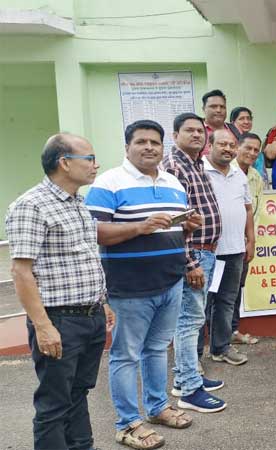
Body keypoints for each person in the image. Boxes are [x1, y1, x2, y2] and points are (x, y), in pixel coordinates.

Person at [85, 120, 199, 448]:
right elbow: (93, 231)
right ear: (127, 147)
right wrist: (139, 227)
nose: (149, 147)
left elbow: (174, 232)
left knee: (157, 348)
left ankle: (157, 407)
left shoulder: (173, 183)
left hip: (170, 282)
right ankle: (127, 423)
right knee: (126, 355)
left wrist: (188, 226)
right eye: (141, 141)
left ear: (163, 147)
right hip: (129, 287)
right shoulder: (109, 183)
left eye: (155, 142)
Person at [7, 133, 114, 450]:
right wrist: (43, 326)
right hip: (59, 321)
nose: (96, 165)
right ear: (64, 163)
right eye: (89, 158)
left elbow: (84, 258)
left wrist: (102, 302)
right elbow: (21, 271)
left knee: (78, 393)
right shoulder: (31, 206)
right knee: (54, 403)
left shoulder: (78, 203)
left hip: (90, 316)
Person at [160, 112, 227, 413]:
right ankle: (189, 389)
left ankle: (185, 377)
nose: (197, 135)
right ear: (175, 136)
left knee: (191, 319)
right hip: (194, 253)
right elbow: (177, 220)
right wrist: (189, 262)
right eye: (190, 130)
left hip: (205, 251)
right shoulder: (174, 166)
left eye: (201, 131)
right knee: (189, 320)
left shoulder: (196, 163)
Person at [198, 129, 255, 367]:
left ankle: (220, 348)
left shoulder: (238, 174)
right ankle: (193, 357)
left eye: (232, 145)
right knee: (199, 304)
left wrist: (250, 240)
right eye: (222, 144)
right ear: (209, 145)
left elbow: (247, 208)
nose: (228, 149)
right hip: (206, 251)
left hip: (234, 250)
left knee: (226, 301)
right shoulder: (198, 171)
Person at [231, 132, 264, 346]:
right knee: (219, 293)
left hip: (244, 244)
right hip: (224, 244)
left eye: (256, 150)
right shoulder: (225, 171)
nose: (252, 153)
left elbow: (256, 212)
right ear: (237, 147)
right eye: (248, 148)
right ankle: (214, 337)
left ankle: (232, 331)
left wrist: (251, 240)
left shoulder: (255, 177)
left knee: (236, 290)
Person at [201, 89, 236, 155]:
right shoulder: (197, 131)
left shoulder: (234, 130)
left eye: (222, 107)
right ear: (203, 109)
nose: (219, 110)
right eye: (213, 107)